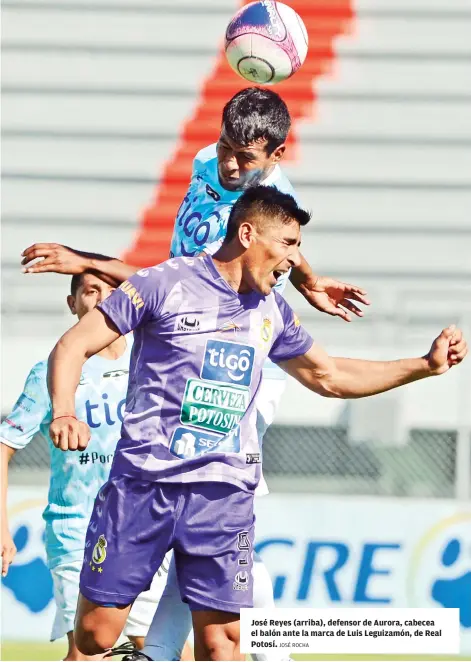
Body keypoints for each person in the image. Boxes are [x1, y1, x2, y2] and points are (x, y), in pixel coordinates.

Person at [21, 87, 370, 661]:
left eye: (247, 158)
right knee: (195, 515)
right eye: (226, 147)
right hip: (183, 351)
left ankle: (264, 650)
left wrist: (83, 259)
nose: (231, 163)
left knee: (216, 502)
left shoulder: (262, 208)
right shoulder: (209, 164)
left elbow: (183, 282)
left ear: (277, 155)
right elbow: (181, 278)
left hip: (236, 357)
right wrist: (311, 280)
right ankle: (158, 651)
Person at [45, 187, 467, 661]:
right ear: (247, 234)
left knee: (222, 643)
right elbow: (71, 346)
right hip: (144, 485)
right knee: (95, 637)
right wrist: (64, 411)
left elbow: (329, 376)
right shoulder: (164, 284)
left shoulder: (271, 310)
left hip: (223, 495)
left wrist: (422, 366)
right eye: (287, 243)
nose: (293, 258)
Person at [0, 272, 180, 661]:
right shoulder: (54, 371)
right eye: (90, 291)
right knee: (86, 652)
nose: (101, 299)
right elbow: (4, 445)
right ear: (73, 305)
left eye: (111, 291)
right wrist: (2, 526)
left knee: (163, 650)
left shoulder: (152, 359)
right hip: (76, 526)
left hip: (144, 524)